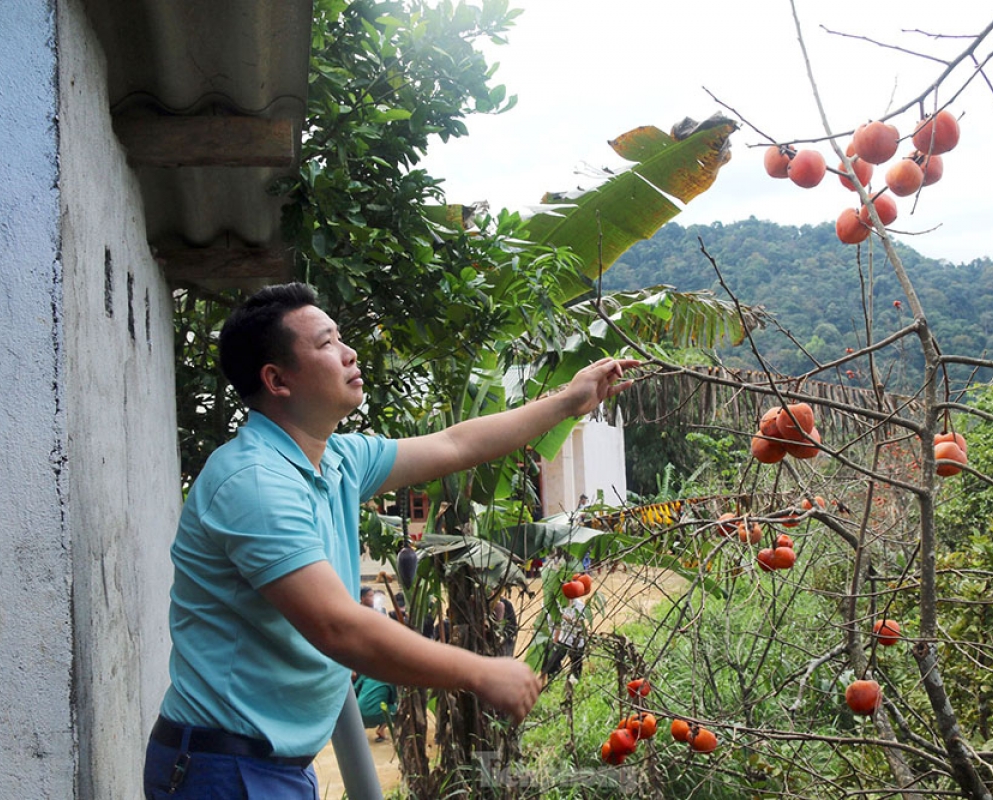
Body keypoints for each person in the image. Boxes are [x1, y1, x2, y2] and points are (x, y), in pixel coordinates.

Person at [142, 282, 638, 799]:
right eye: (327, 343)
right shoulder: (254, 482)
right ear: (277, 380)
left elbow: (454, 443)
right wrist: (479, 671)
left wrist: (569, 402)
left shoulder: (335, 458)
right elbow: (339, 628)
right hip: (222, 768)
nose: (349, 352)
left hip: (270, 764)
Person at [541, 596, 588, 684]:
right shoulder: (552, 603)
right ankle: (552, 685)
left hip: (575, 640)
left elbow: (579, 624)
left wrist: (565, 618)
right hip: (562, 639)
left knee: (576, 666)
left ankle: (574, 685)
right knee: (551, 664)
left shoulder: (578, 605)